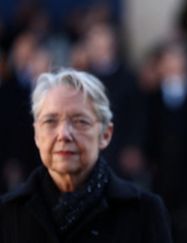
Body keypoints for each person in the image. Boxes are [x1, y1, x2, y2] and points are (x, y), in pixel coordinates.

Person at [0, 69, 172, 243]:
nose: (64, 134)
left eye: (80, 121)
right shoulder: (8, 213)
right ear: (37, 134)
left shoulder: (144, 212)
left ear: (105, 134)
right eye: (50, 121)